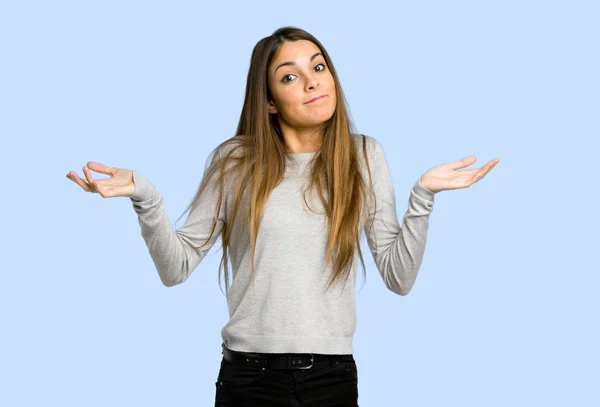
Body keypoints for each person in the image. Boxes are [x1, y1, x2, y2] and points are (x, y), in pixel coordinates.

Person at [66, 26, 499, 407]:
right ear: (270, 101)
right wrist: (146, 197)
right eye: (291, 76)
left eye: (319, 67)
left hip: (332, 378)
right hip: (248, 379)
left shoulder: (364, 155)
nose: (313, 83)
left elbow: (398, 277)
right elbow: (175, 268)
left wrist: (422, 197)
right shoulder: (235, 161)